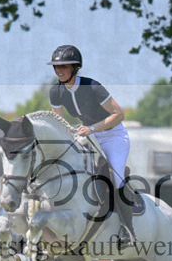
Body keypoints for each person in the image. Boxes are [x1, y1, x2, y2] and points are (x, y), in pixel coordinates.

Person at [47, 44, 136, 245]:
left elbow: (119, 114)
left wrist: (92, 129)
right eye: (56, 67)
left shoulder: (93, 87)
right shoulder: (56, 92)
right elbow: (59, 123)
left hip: (113, 135)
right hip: (87, 135)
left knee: (115, 176)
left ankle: (127, 230)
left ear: (75, 68)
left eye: (64, 66)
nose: (59, 71)